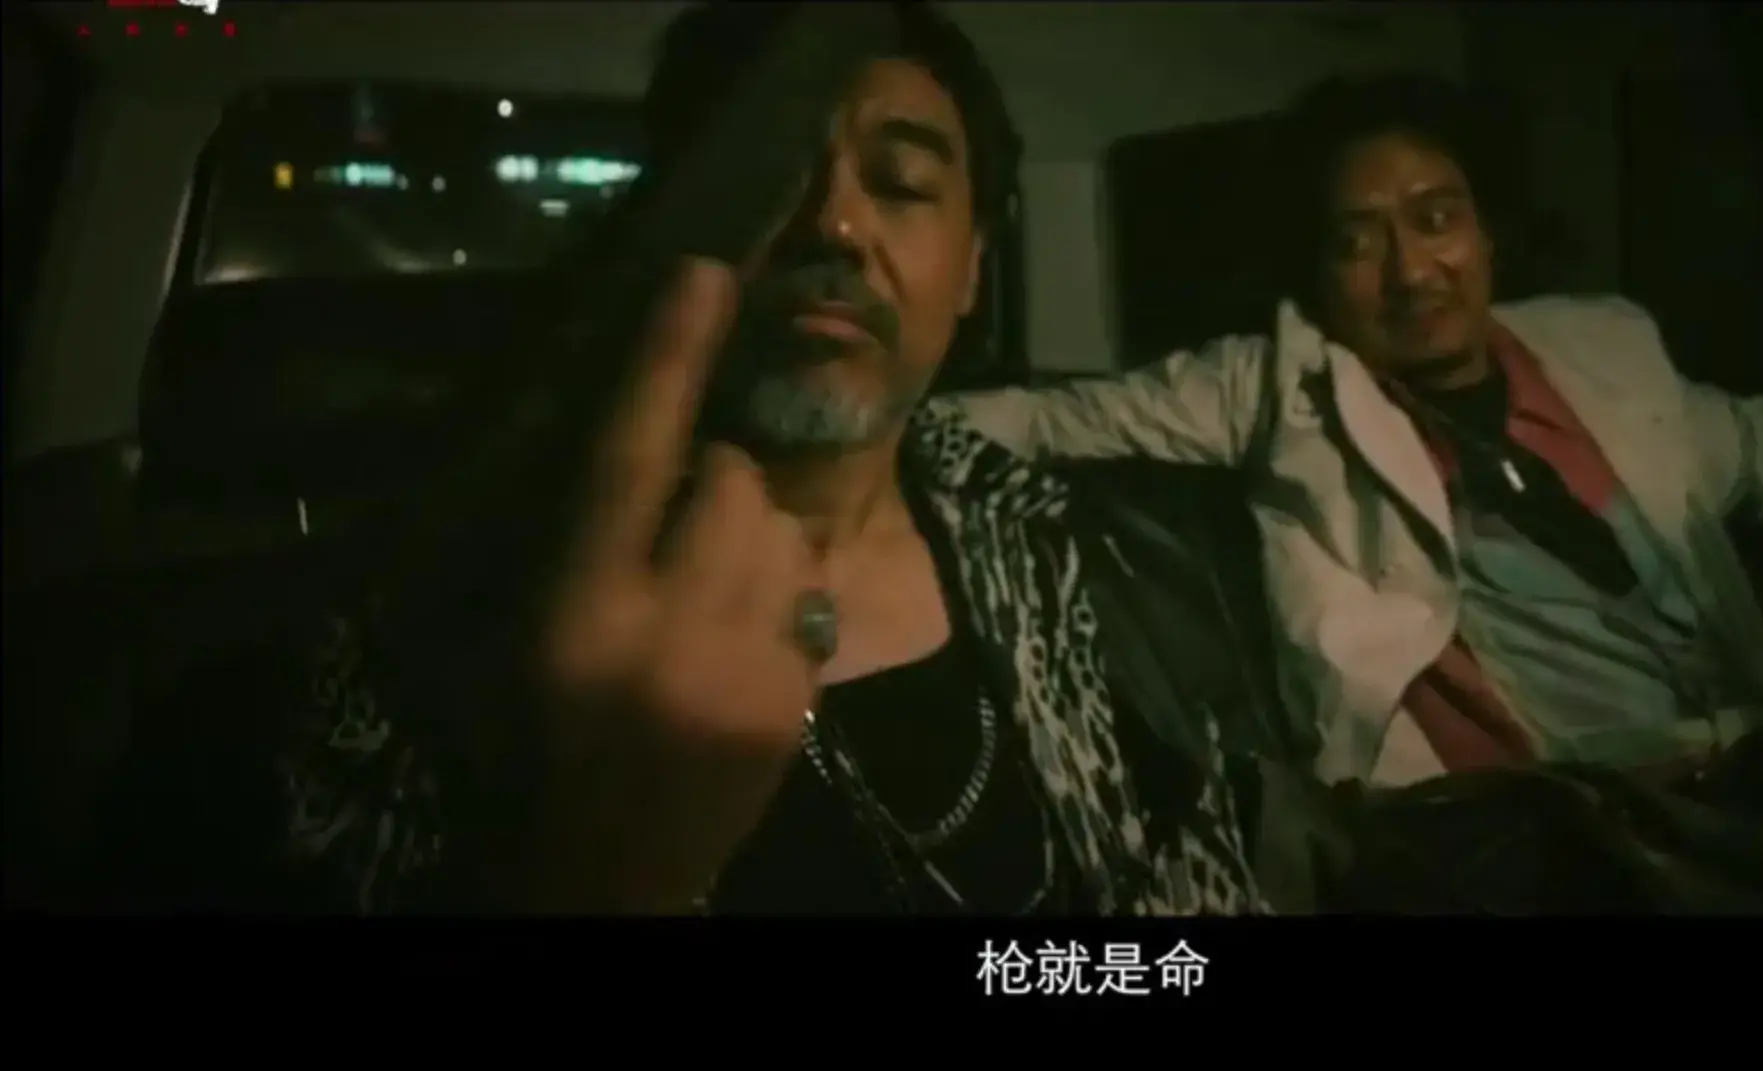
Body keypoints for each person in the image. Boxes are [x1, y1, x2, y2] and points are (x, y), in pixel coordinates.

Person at [88, 2, 1267, 916]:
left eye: (902, 184)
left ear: (971, 270)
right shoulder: (445, 612)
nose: (834, 224)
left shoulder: (1080, 561)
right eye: (773, 174)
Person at [940, 72, 1763, 908]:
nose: (1410, 269)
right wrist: (849, 420)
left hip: (1752, 769)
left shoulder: (1606, 352)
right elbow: (1050, 416)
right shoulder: (1280, 384)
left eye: (1436, 218)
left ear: (1487, 233)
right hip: (1544, 827)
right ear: (1317, 274)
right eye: (1358, 239)